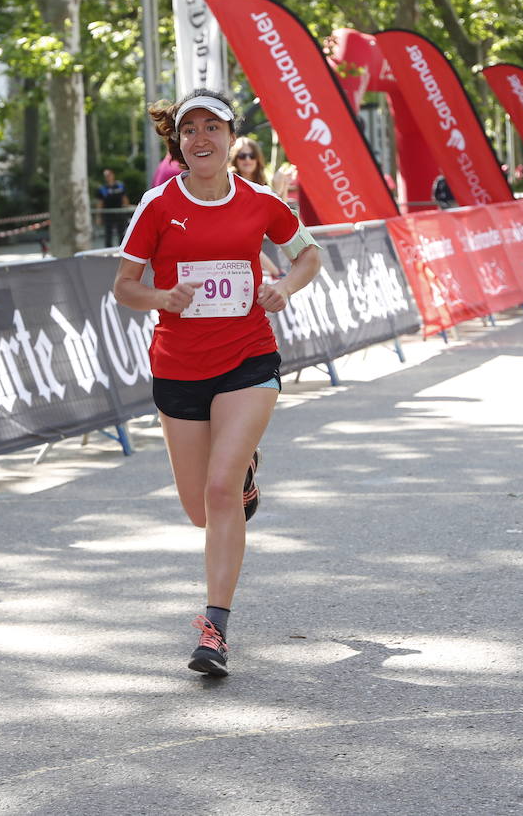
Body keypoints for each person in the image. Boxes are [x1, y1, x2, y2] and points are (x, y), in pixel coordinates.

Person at [113, 89, 322, 677]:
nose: (201, 138)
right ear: (178, 141)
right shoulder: (156, 206)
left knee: (221, 490)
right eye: (190, 129)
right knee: (200, 509)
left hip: (248, 359)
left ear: (232, 139)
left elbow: (309, 255)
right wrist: (161, 296)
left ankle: (215, 627)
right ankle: (246, 472)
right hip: (179, 367)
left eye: (213, 127)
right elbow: (124, 287)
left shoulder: (261, 201)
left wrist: (286, 287)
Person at [229, 138, 281, 279]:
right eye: (242, 156)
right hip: (242, 265)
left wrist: (283, 186)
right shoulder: (228, 188)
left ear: (257, 159)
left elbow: (279, 222)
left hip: (269, 256)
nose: (247, 160)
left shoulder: (263, 185)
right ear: (235, 159)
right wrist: (276, 271)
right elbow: (243, 239)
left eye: (252, 155)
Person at [95, 168, 132, 248]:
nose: (108, 177)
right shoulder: (102, 189)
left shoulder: (120, 186)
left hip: (120, 213)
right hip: (108, 214)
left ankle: (122, 249)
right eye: (106, 176)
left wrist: (127, 208)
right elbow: (100, 203)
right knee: (108, 234)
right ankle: (108, 250)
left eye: (109, 175)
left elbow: (124, 198)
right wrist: (98, 216)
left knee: (121, 233)